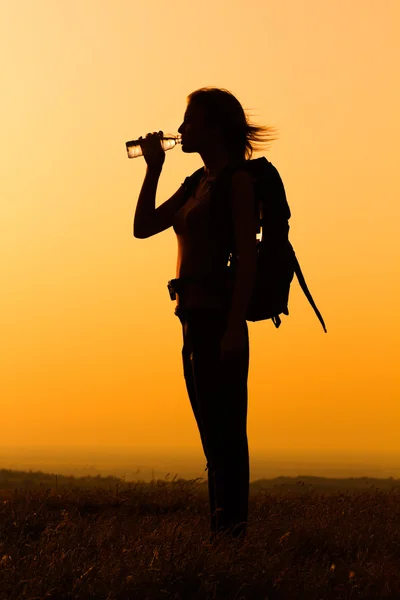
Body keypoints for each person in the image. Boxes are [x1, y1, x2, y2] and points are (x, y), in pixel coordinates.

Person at [133, 87, 276, 544]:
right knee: (212, 438)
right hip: (191, 320)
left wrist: (235, 327)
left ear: (213, 128)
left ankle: (231, 538)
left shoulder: (236, 181)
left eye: (189, 121)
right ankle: (224, 535)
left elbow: (248, 261)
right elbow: (142, 227)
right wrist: (154, 168)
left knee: (227, 437)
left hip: (219, 321)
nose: (179, 130)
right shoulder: (197, 181)